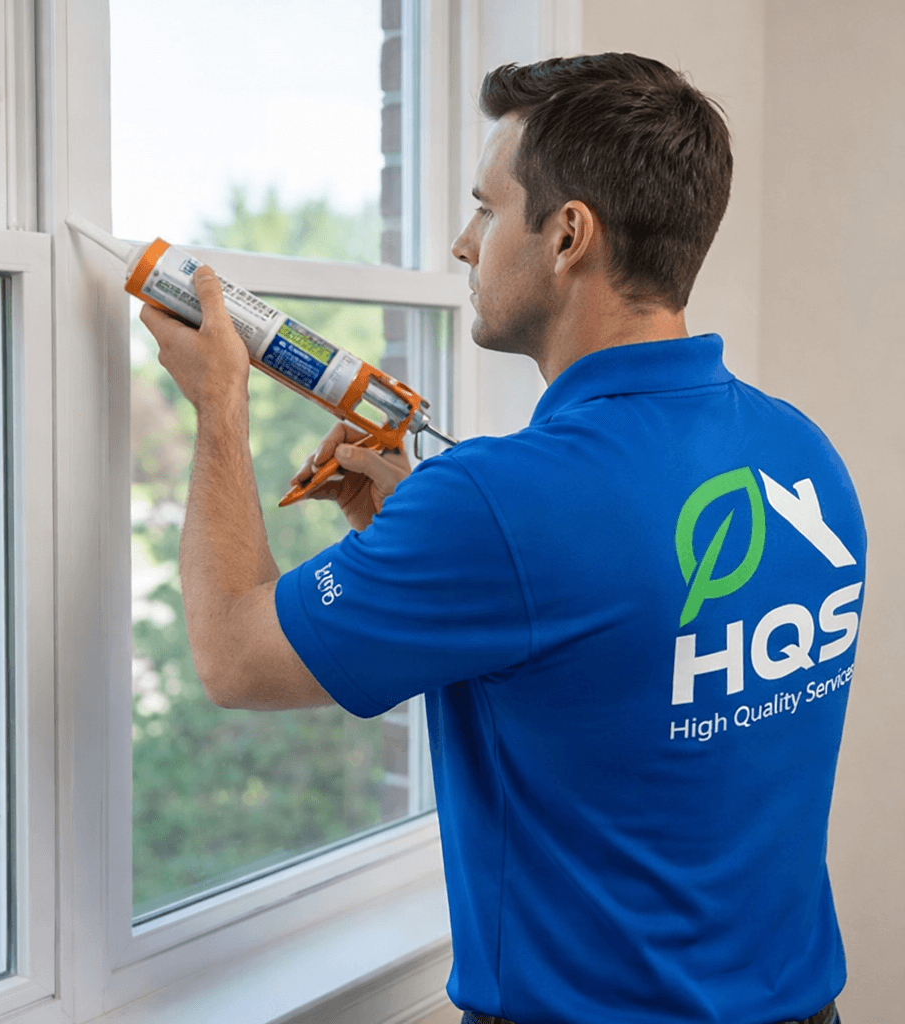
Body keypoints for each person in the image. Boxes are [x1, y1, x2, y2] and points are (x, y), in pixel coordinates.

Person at [140, 53, 863, 1024]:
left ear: (568, 235)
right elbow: (619, 653)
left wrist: (218, 406)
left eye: (486, 208)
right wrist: (422, 537)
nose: (460, 243)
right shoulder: (800, 454)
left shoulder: (499, 501)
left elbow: (234, 655)